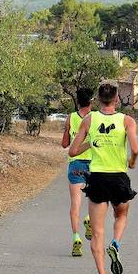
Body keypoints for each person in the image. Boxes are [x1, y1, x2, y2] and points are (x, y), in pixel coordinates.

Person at [69, 80, 138, 274]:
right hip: (118, 177)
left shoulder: (89, 120)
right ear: (117, 98)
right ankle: (116, 243)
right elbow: (136, 149)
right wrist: (132, 162)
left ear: (99, 99)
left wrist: (90, 143)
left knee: (97, 232)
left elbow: (72, 151)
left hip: (97, 178)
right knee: (121, 215)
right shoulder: (127, 121)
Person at [61, 86, 94, 257]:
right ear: (91, 101)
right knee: (94, 199)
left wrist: (68, 129)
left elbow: (65, 144)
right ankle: (89, 218)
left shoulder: (71, 118)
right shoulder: (94, 118)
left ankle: (76, 237)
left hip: (75, 164)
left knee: (75, 203)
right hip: (94, 164)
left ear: (78, 100)